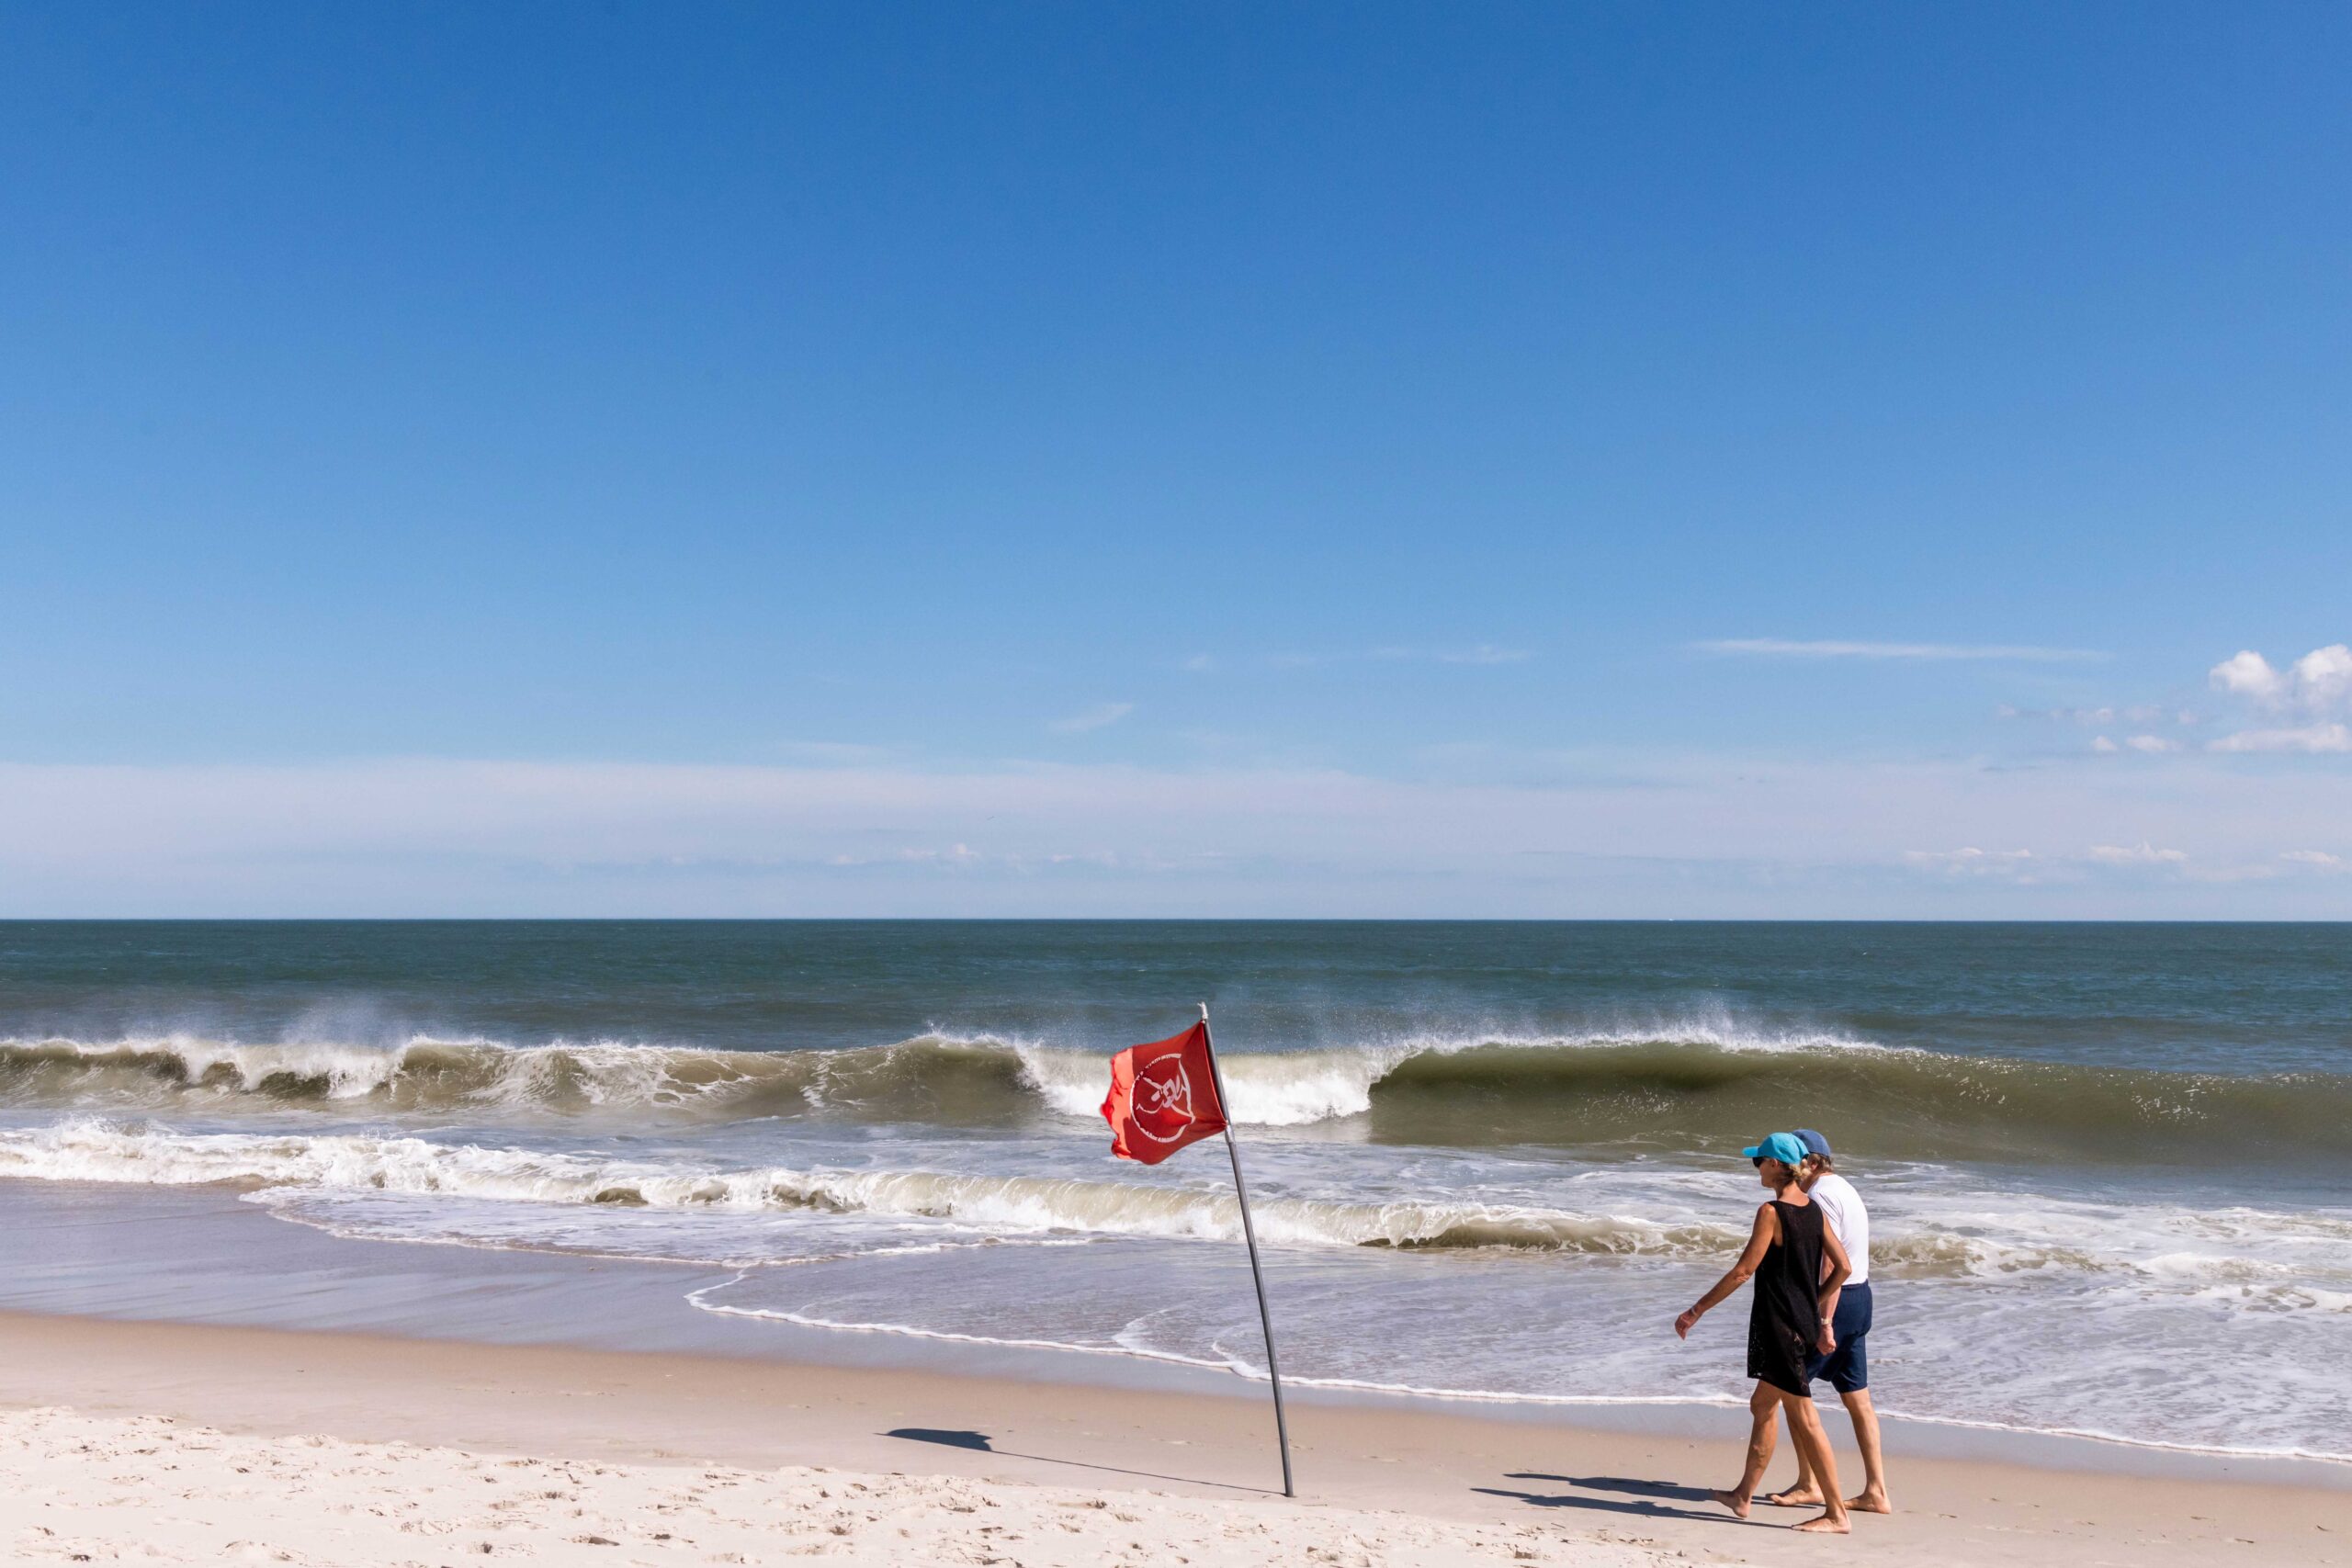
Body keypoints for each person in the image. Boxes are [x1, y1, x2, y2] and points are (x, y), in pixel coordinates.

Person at [1674, 1132, 1855, 1535]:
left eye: (1760, 1161)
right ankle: (1743, 1495)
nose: (1756, 1167)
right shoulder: (1813, 1210)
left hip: (1779, 1327)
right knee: (1762, 1406)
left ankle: (1836, 1514)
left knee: (1806, 1419)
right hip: (1800, 1324)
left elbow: (1743, 1271)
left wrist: (1695, 1310)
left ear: (1776, 1166)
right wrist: (1813, 1303)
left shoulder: (1771, 1212)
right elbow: (1842, 1266)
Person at [1759, 1128, 1892, 1514]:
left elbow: (1831, 1263)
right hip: (1861, 1297)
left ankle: (1809, 1483)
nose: (1796, 1170)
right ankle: (1876, 1490)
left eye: (1801, 1162)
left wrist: (1823, 1320)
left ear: (1813, 1163)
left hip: (1835, 1302)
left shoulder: (1819, 1196)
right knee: (1857, 1399)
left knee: (1790, 1391)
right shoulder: (1846, 1188)